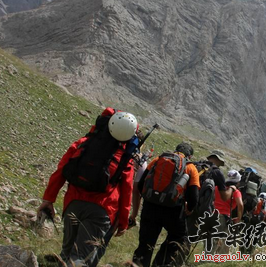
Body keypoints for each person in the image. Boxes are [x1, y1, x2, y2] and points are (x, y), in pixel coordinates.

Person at [37, 109, 138, 267]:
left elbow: (60, 171)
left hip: (73, 204)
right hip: (102, 211)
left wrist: (49, 199)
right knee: (82, 258)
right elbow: (127, 192)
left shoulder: (82, 144)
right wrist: (123, 222)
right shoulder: (124, 158)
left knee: (67, 253)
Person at [132, 143, 200, 267]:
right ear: (189, 156)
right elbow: (194, 196)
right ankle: (161, 264)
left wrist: (149, 199)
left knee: (145, 244)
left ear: (175, 150)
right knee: (177, 239)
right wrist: (189, 208)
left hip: (150, 208)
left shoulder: (158, 160)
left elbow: (141, 184)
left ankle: (138, 264)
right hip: (173, 211)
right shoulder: (190, 168)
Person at [210, 170, 243, 254]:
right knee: (225, 241)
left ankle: (206, 259)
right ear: (238, 182)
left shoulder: (218, 188)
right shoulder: (235, 191)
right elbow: (240, 205)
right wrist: (239, 218)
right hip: (223, 217)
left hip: (212, 215)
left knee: (212, 239)